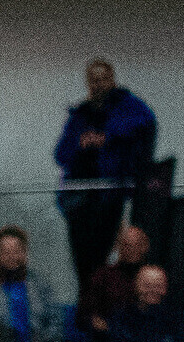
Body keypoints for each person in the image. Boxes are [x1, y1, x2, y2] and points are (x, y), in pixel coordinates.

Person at [56, 58, 159, 283]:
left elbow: (146, 124)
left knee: (106, 258)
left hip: (112, 194)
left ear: (112, 79)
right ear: (88, 83)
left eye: (103, 79)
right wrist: (80, 143)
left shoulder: (129, 106)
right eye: (94, 80)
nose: (98, 84)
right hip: (79, 198)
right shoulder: (81, 114)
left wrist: (107, 137)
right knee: (83, 262)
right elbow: (60, 154)